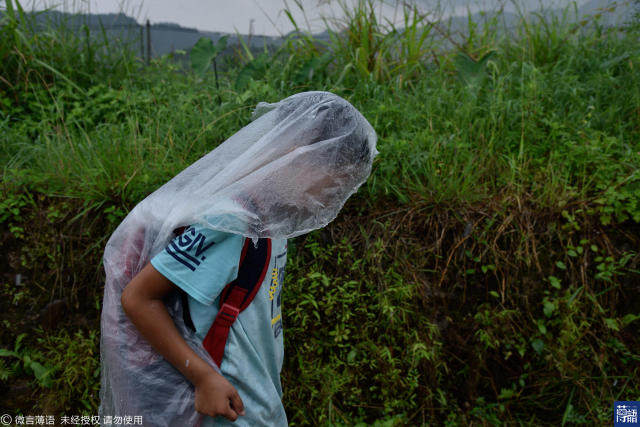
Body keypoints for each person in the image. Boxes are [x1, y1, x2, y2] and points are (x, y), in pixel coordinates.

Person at [99, 91, 377, 426]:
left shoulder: (272, 225)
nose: (332, 198)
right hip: (225, 413)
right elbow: (139, 298)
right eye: (333, 184)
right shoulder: (230, 222)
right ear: (297, 155)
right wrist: (204, 378)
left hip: (259, 407)